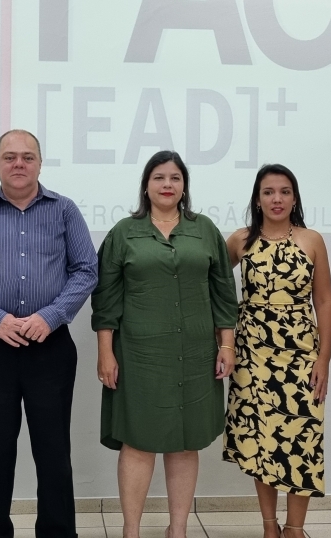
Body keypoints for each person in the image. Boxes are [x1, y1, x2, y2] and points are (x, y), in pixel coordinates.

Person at [0, 129, 97, 538]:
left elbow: (86, 270)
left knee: (52, 451)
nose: (18, 164)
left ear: (40, 164)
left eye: (27, 157)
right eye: (9, 157)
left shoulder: (64, 210)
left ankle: (58, 532)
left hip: (51, 347)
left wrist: (51, 316)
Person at [91, 150, 239, 538]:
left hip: (195, 355)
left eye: (175, 178)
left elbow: (224, 292)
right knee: (138, 442)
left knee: (185, 444)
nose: (167, 185)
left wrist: (227, 345)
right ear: (146, 185)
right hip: (139, 355)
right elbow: (106, 299)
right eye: (159, 178)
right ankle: (132, 530)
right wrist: (105, 351)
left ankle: (178, 530)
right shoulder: (123, 232)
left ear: (184, 185)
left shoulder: (204, 230)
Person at [222, 164, 331, 538]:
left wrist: (324, 358)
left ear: (295, 197)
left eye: (284, 191)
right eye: (269, 192)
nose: (277, 199)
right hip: (252, 353)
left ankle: (294, 528)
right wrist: (220, 342)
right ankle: (269, 527)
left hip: (301, 353)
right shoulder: (239, 240)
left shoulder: (311, 240)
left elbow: (324, 300)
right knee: (262, 439)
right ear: (257, 198)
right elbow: (212, 287)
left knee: (301, 439)